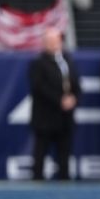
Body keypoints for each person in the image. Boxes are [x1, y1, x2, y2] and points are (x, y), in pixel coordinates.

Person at [28, 28, 79, 181]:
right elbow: (39, 87)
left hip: (65, 118)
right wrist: (60, 100)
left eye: (56, 41)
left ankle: (65, 183)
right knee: (40, 154)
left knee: (64, 154)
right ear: (44, 43)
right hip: (45, 118)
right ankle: (37, 183)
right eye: (50, 41)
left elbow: (76, 84)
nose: (54, 44)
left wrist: (74, 98)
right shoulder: (38, 63)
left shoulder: (67, 60)